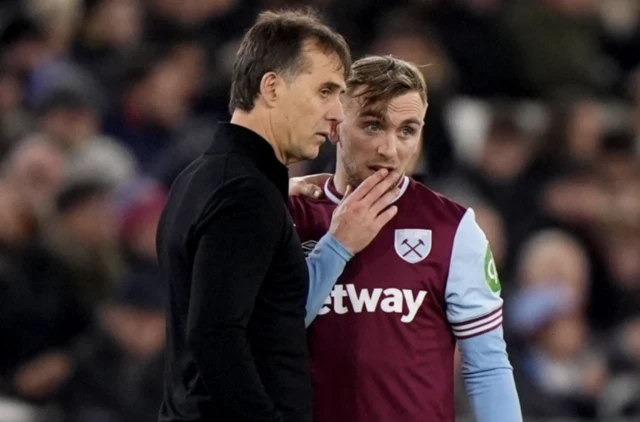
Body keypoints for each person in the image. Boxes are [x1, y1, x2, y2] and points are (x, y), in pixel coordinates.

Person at [156, 10, 400, 422]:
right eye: (325, 91)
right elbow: (215, 335)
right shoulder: (244, 196)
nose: (338, 114)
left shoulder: (200, 178)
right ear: (271, 87)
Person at [289, 55, 522, 422]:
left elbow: (487, 366)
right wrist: (336, 245)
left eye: (407, 130)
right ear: (335, 125)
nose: (390, 149)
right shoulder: (290, 215)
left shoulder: (454, 230)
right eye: (372, 125)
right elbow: (263, 330)